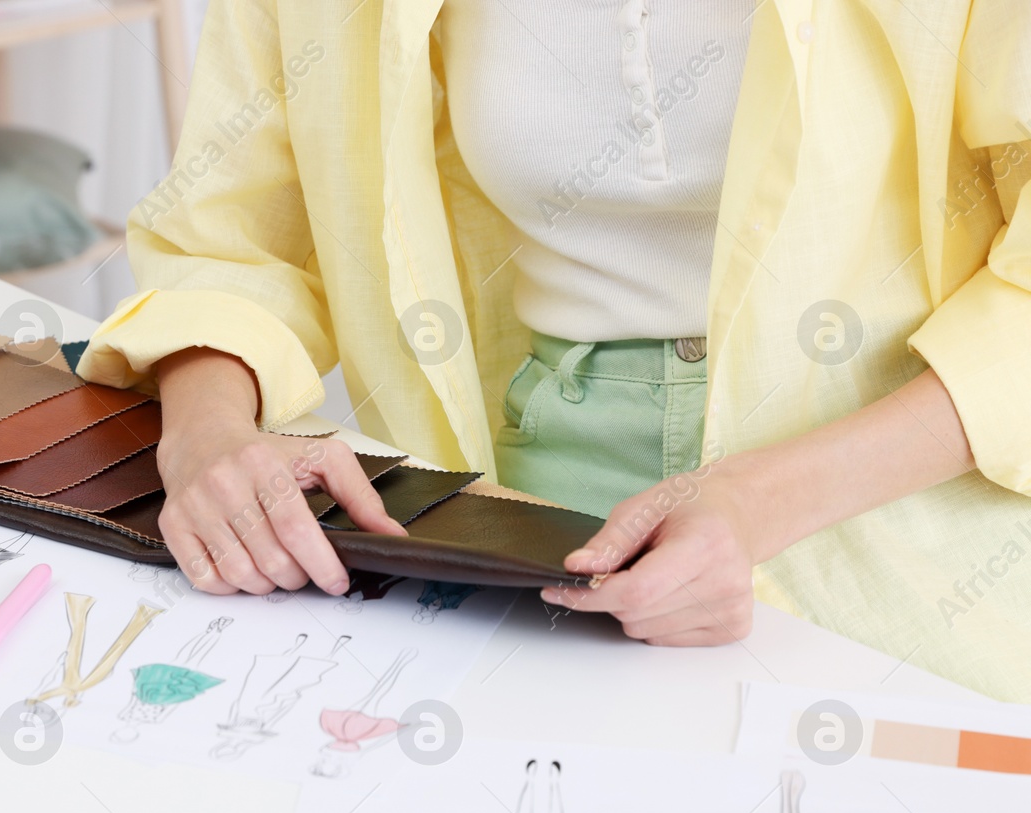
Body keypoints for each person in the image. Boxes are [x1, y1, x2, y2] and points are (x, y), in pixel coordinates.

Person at [78, 0, 1031, 702]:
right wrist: (203, 435)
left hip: (893, 501)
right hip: (526, 512)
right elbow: (235, 234)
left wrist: (756, 498)